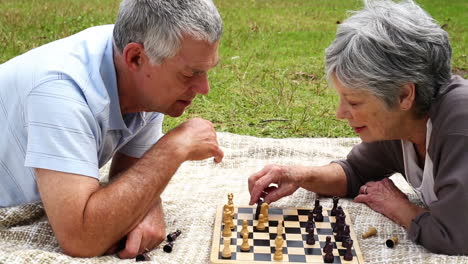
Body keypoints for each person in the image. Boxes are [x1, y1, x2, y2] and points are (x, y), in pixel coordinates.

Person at [0, 0, 224, 259]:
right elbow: (81, 240)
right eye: (189, 75)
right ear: (135, 57)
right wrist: (173, 148)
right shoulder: (61, 93)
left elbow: (132, 174)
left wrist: (150, 205)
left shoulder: (140, 66)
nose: (204, 88)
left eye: (206, 72)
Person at [248, 0, 468, 255]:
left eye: (353, 101)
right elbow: (354, 171)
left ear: (404, 95)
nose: (340, 114)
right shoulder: (402, 122)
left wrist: (400, 208)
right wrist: (299, 175)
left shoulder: (459, 128)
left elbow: (454, 237)